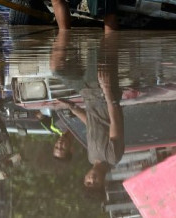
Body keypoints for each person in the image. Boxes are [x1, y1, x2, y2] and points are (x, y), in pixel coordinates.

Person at [52, 31, 124, 197]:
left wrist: (71, 107)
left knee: (57, 69)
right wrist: (106, 91)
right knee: (94, 44)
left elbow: (91, 124)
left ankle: (66, 31)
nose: (91, 178)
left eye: (88, 182)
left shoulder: (92, 158)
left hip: (87, 94)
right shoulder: (113, 157)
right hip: (100, 93)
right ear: (103, 182)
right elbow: (115, 121)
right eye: (95, 183)